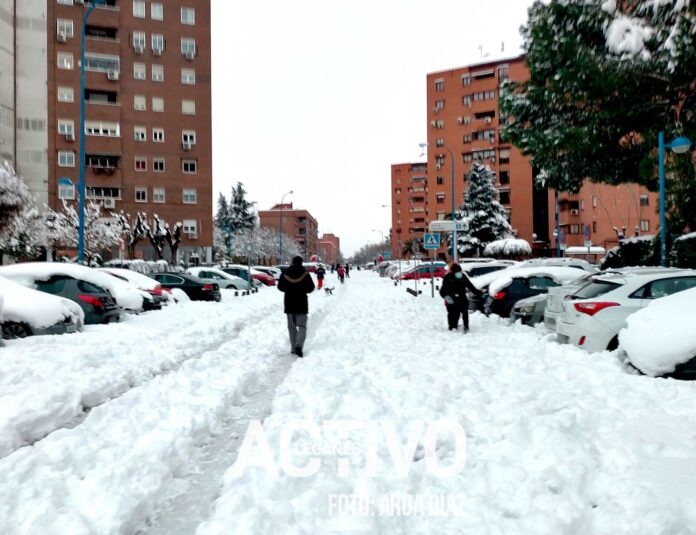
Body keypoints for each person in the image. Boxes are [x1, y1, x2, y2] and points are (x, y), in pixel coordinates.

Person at [278, 256, 315, 357]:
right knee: (302, 326)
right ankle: (299, 345)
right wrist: (303, 290)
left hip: (289, 303)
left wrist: (289, 289)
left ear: (292, 262)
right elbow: (311, 288)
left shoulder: (285, 273)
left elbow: (280, 287)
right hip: (301, 303)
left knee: (292, 327)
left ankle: (293, 348)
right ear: (301, 262)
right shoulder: (305, 273)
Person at [439, 263, 482, 332]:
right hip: (460, 298)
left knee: (453, 313)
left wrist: (446, 297)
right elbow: (471, 287)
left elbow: (442, 291)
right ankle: (464, 327)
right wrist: (480, 293)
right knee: (463, 313)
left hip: (453, 299)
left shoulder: (448, 277)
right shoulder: (461, 276)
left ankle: (453, 327)